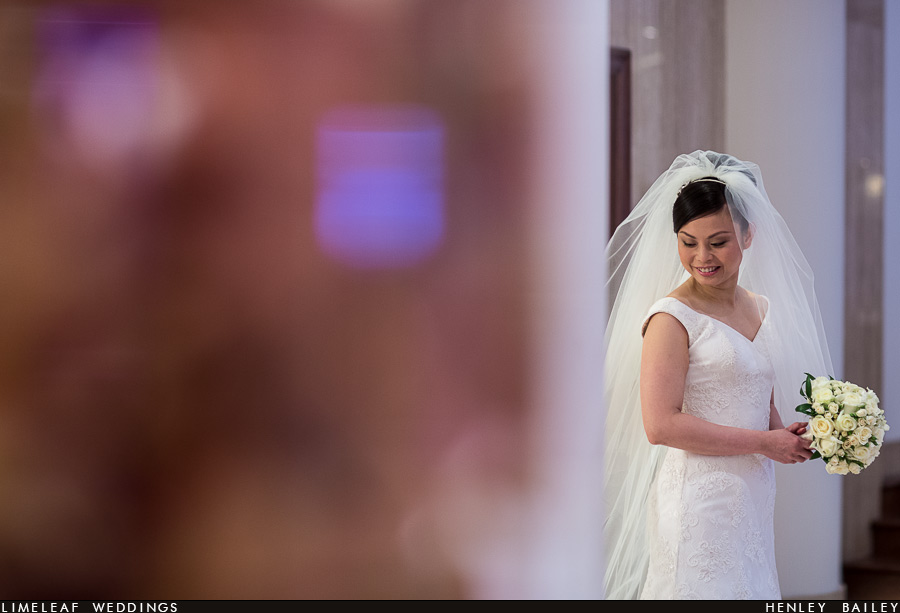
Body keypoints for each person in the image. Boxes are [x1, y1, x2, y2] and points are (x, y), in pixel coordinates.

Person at [602, 151, 834, 599]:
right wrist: (766, 444)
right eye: (688, 242)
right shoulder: (671, 318)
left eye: (718, 241)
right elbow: (660, 425)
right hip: (697, 499)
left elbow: (756, 393)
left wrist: (783, 431)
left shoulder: (760, 307)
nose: (701, 256)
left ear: (748, 236)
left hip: (752, 494)